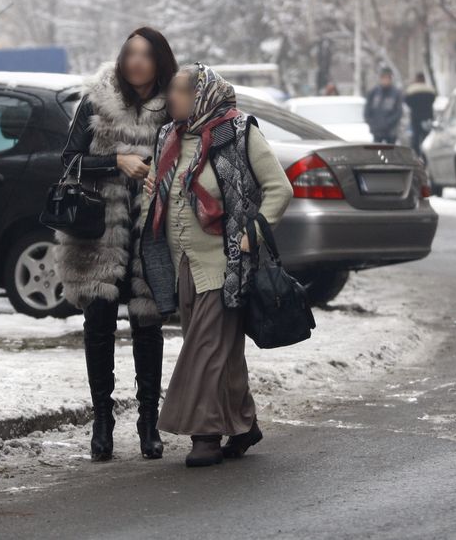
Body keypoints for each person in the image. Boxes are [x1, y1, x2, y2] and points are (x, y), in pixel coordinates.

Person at [136, 64, 294, 467]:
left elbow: (280, 188)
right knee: (220, 350)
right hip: (181, 262)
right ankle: (244, 423)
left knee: (204, 349)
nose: (169, 97)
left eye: (178, 90)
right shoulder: (168, 136)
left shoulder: (237, 132)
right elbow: (161, 191)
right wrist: (152, 189)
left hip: (226, 262)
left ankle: (204, 435)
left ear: (201, 95)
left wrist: (252, 234)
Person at [55, 26, 178, 462]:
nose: (136, 62)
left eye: (146, 55)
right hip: (99, 233)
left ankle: (149, 423)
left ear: (159, 61)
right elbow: (68, 159)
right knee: (99, 326)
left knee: (148, 327)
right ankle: (102, 422)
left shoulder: (172, 107)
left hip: (152, 232)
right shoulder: (97, 100)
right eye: (130, 54)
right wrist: (115, 162)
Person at [364, 67, 404, 143]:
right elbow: (367, 110)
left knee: (390, 152)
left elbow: (398, 112)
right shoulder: (373, 93)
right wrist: (372, 123)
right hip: (376, 131)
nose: (385, 80)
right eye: (383, 78)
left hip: (390, 131)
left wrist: (387, 123)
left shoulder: (396, 93)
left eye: (387, 78)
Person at [404, 72, 437, 156]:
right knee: (426, 138)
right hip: (428, 117)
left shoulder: (411, 90)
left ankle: (416, 156)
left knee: (415, 138)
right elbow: (433, 99)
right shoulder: (430, 90)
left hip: (415, 117)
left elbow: (407, 101)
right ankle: (426, 157)